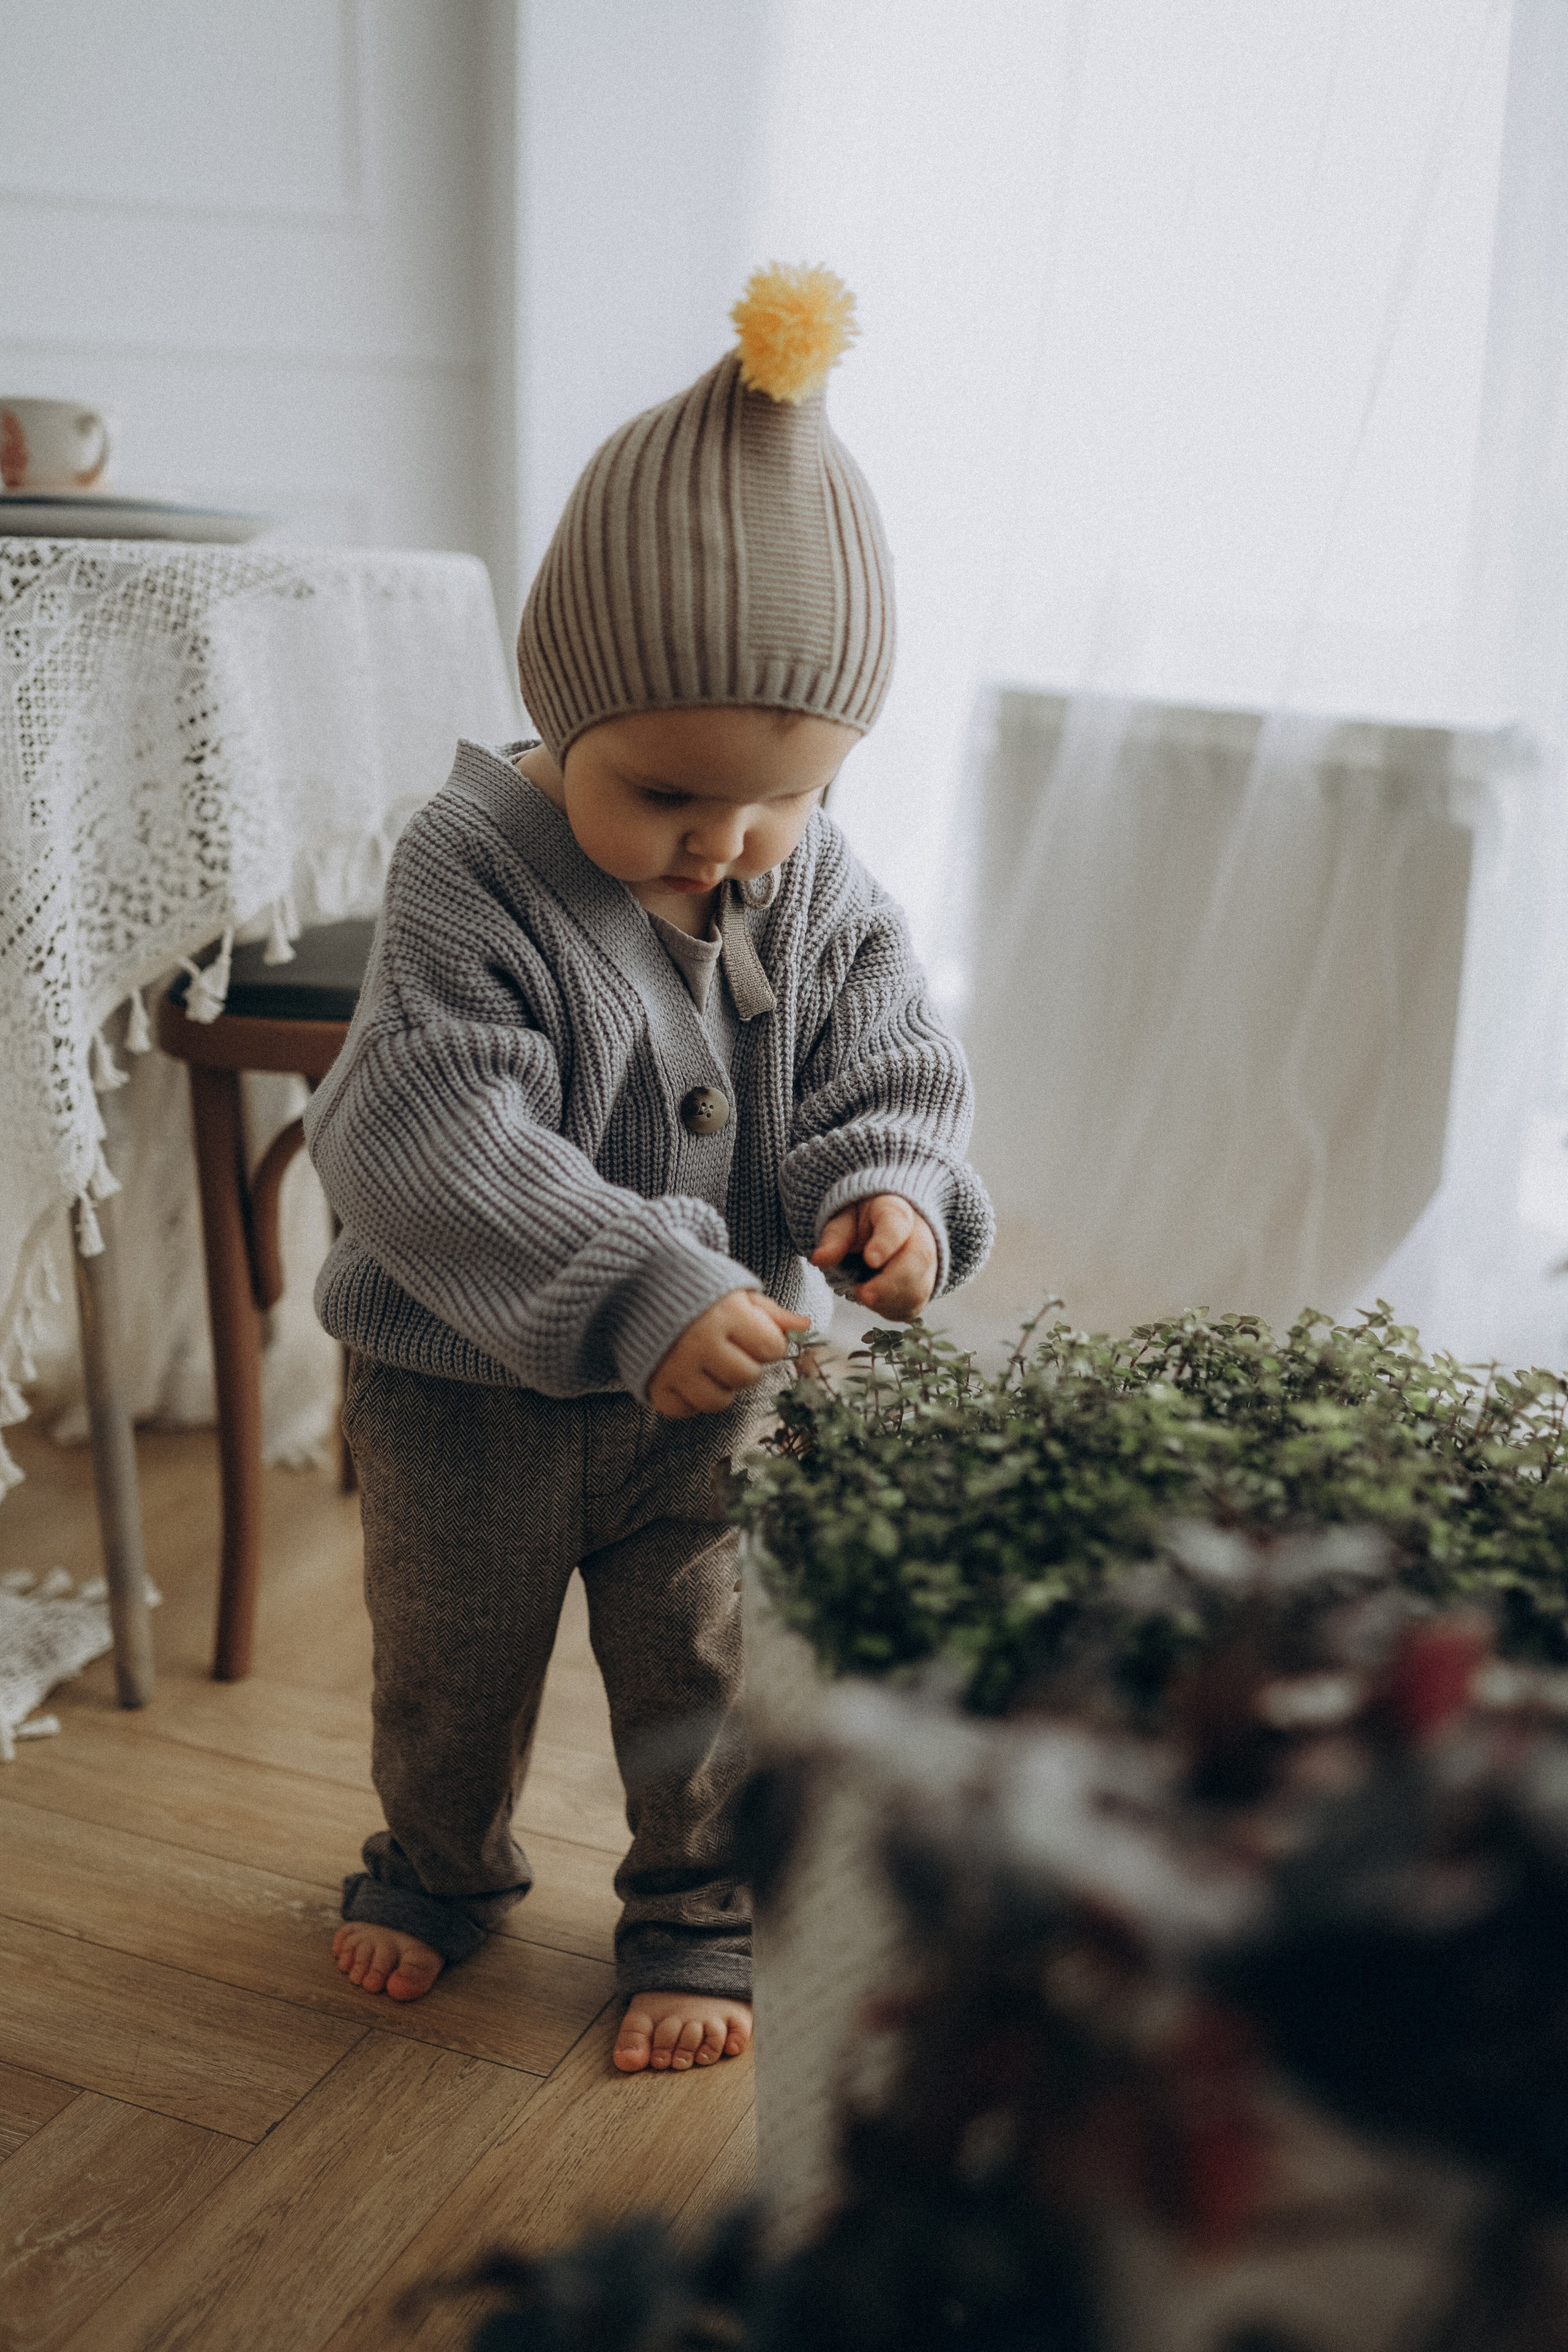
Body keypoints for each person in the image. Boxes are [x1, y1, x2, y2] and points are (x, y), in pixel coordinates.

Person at [304, 265, 993, 2074]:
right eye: (670, 799)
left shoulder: (815, 876)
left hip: (720, 1396)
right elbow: (420, 1124)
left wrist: (891, 1192)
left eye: (781, 800)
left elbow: (890, 1063)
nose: (727, 846)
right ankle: (437, 1867)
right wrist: (634, 1280)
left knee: (709, 1667)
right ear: (566, 712)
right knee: (447, 1663)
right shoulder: (472, 866)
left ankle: (703, 1914)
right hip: (465, 1388)